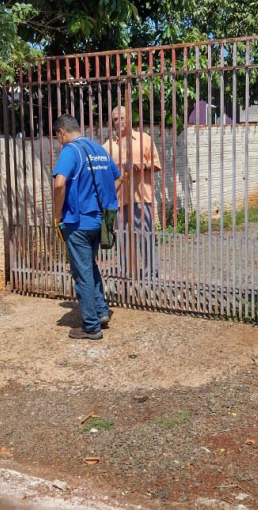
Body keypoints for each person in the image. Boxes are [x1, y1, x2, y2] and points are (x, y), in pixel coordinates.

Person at [53, 114, 122, 340]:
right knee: (90, 267)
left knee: (81, 273)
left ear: (62, 131)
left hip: (77, 222)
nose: (58, 141)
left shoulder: (71, 151)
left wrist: (57, 213)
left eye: (57, 136)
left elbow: (59, 182)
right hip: (98, 222)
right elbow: (118, 177)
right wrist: (104, 201)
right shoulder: (98, 149)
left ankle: (91, 326)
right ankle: (101, 311)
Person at [103, 105, 161, 279]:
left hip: (142, 197)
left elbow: (157, 165)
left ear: (129, 118)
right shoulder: (107, 147)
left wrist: (140, 166)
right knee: (123, 239)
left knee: (146, 237)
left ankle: (152, 273)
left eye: (121, 117)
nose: (119, 121)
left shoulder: (144, 139)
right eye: (115, 119)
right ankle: (127, 273)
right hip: (120, 200)